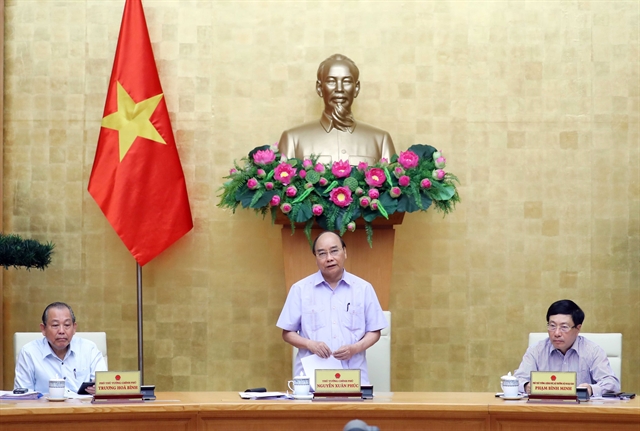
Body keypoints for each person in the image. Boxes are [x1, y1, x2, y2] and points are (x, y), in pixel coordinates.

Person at [276, 231, 387, 385]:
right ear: (316, 258)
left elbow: (375, 331)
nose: (329, 258)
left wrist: (355, 348)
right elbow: (287, 332)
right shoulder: (300, 289)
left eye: (334, 251)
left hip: (353, 378)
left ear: (345, 252)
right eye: (322, 253)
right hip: (311, 380)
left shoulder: (363, 288)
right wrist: (310, 344)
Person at [278, 54, 396, 165]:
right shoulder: (293, 139)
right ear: (319, 88)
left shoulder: (380, 140)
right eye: (331, 81)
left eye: (347, 81)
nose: (339, 89)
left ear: (356, 88)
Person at [513, 299, 620, 397]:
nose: (557, 333)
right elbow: (517, 380)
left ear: (578, 328)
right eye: (552, 326)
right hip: (544, 408)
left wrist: (591, 389)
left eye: (564, 327)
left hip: (581, 409)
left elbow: (612, 383)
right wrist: (526, 386)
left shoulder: (593, 351)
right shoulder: (536, 350)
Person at [14, 302, 107, 395]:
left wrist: (100, 389)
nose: (61, 331)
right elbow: (22, 396)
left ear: (74, 328)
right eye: (55, 325)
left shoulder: (89, 349)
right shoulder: (29, 353)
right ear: (43, 329)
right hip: (45, 404)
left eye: (67, 325)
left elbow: (104, 386)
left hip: (82, 404)